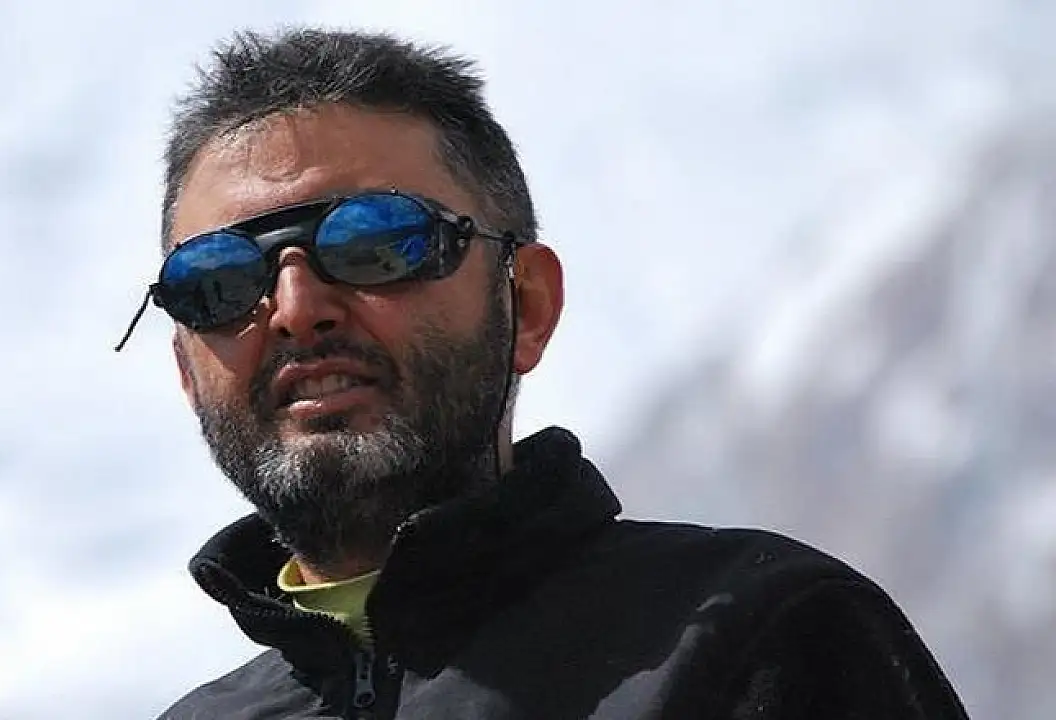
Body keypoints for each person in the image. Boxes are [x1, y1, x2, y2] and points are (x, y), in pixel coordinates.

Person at [115, 27, 970, 720]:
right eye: (218, 281)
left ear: (526, 303)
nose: (298, 307)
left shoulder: (760, 640)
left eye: (374, 240)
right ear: (186, 366)